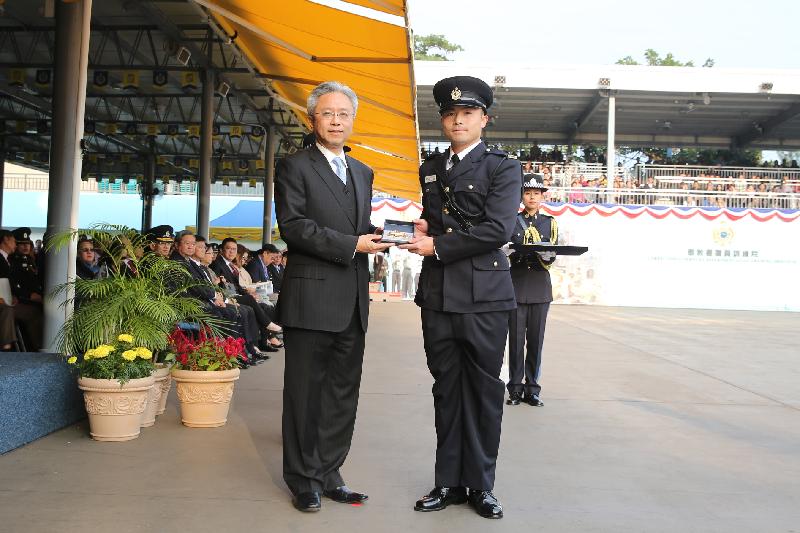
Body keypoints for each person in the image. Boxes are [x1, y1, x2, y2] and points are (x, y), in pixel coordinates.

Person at [400, 76, 521, 520]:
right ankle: (448, 481)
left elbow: (497, 229)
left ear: (483, 119)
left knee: (485, 391)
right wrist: (423, 231)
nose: (457, 120)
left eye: (467, 113)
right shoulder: (430, 168)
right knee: (446, 390)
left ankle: (482, 485)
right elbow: (440, 220)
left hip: (485, 297)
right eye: (449, 114)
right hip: (438, 296)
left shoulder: (503, 168)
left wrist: (439, 246)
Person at [274, 80, 392, 513]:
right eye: (328, 113)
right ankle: (303, 479)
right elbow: (295, 227)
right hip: (311, 299)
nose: (336, 120)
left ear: (353, 120)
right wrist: (352, 245)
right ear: (312, 119)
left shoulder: (362, 171)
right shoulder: (294, 166)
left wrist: (378, 238)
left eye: (344, 113)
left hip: (353, 303)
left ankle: (330, 471)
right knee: (304, 395)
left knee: (343, 392)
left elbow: (355, 226)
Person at [505, 174, 558, 408]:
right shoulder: (512, 221)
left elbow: (553, 253)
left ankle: (533, 389)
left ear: (542, 196)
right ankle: (515, 389)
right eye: (528, 193)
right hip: (515, 285)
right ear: (521, 196)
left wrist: (548, 255)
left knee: (536, 341)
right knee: (515, 342)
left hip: (539, 287)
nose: (532, 197)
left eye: (537, 193)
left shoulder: (550, 222)